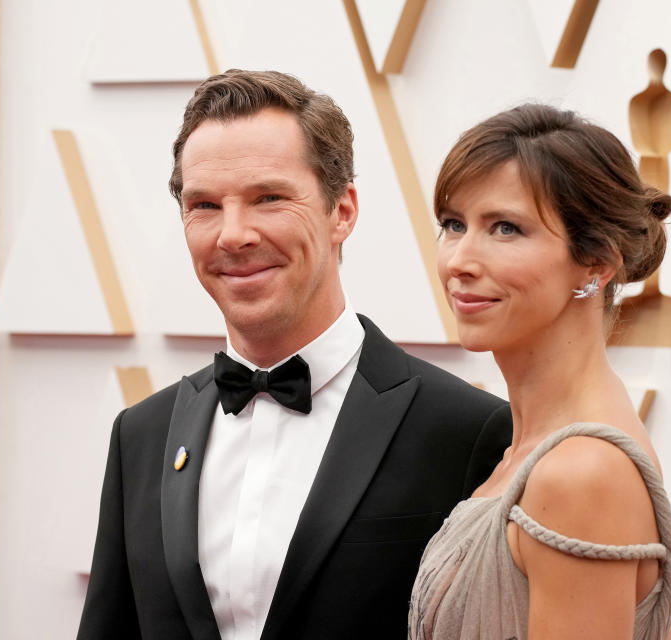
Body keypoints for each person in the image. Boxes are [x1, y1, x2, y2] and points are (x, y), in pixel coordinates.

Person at [76, 69, 513, 640]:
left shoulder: (465, 432)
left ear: (343, 211)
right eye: (204, 205)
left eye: (269, 198)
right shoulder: (141, 436)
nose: (233, 234)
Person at [409, 104, 671, 639]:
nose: (460, 260)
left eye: (506, 228)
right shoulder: (543, 448)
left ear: (597, 263)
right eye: (453, 224)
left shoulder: (582, 473)